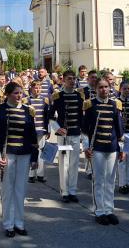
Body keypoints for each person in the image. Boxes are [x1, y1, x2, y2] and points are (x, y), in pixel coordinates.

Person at [0, 82, 39, 238]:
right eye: (16, 93)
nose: (20, 96)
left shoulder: (28, 111)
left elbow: (33, 137)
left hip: (24, 154)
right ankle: (8, 224)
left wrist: (34, 157)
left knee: (20, 190)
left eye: (21, 93)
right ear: (8, 94)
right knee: (7, 190)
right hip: (7, 155)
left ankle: (19, 223)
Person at [83, 78, 125, 225]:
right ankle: (99, 211)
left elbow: (120, 130)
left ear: (110, 88)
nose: (104, 90)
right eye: (101, 87)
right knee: (99, 180)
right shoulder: (90, 105)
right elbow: (84, 130)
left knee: (110, 180)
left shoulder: (115, 105)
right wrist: (86, 147)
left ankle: (109, 209)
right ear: (96, 89)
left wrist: (122, 149)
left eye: (106, 87)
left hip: (112, 147)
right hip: (97, 148)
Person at [50, 70, 84, 202]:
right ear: (63, 80)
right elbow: (51, 116)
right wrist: (58, 129)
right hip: (63, 135)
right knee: (64, 163)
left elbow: (81, 117)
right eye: (69, 79)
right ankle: (64, 192)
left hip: (75, 133)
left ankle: (72, 191)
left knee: (74, 163)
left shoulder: (79, 96)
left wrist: (82, 133)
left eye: (74, 78)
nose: (72, 81)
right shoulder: (58, 96)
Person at [25, 80, 49, 183]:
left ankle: (40, 174)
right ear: (31, 88)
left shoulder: (44, 100)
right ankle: (31, 174)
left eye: (39, 87)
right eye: (35, 87)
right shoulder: (27, 100)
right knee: (32, 151)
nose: (37, 89)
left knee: (41, 151)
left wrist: (48, 130)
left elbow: (47, 116)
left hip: (41, 129)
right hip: (31, 130)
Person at [117, 81, 129, 194]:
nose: (127, 91)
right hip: (122, 135)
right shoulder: (116, 101)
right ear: (120, 89)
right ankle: (122, 184)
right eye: (125, 89)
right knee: (122, 160)